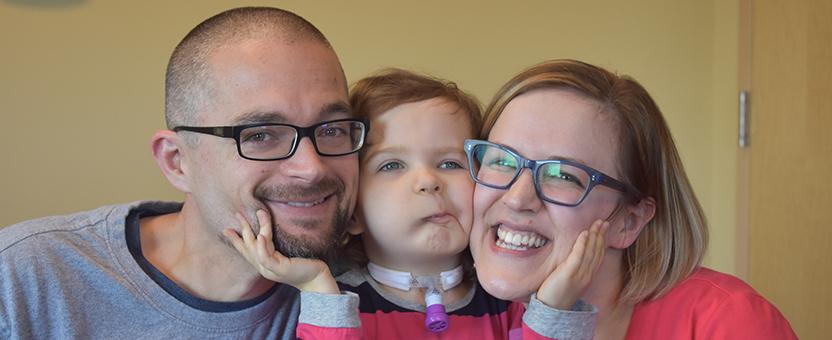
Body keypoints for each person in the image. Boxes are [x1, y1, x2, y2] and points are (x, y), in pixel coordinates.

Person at [0, 7, 366, 339]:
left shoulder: (375, 289)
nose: (311, 168)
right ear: (177, 161)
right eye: (260, 135)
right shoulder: (25, 280)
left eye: (332, 130)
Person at [225, 69, 605, 340]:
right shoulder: (338, 302)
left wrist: (554, 311)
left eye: (450, 163)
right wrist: (318, 288)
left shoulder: (508, 303)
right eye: (392, 165)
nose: (428, 181)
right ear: (352, 210)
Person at [466, 59, 798, 339]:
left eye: (563, 175)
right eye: (501, 160)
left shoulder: (729, 323)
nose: (517, 197)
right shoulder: (465, 318)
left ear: (630, 221)